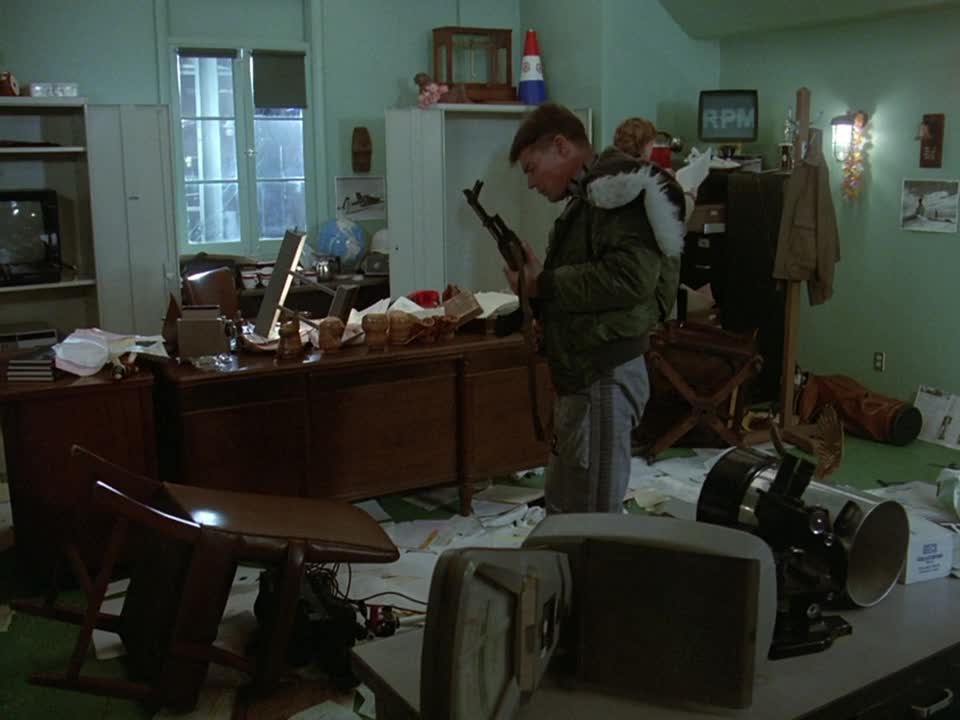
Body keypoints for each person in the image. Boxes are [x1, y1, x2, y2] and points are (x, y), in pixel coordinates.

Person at [505, 103, 685, 514]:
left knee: (596, 517)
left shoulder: (616, 192)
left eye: (532, 168)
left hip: (604, 373)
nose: (531, 183)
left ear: (561, 146)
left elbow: (630, 278)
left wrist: (543, 283)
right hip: (587, 372)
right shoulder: (590, 199)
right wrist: (540, 292)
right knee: (567, 508)